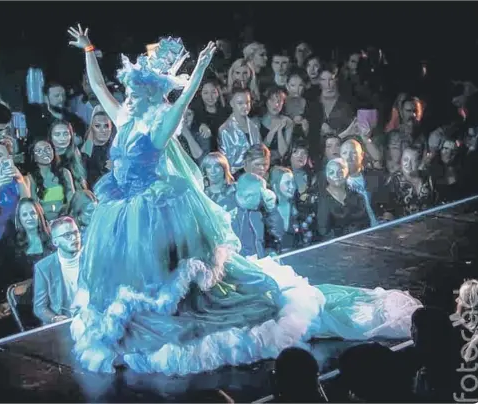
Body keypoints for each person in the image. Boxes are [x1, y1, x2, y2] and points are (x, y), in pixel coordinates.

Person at [66, 24, 421, 376]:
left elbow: (185, 100)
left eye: (137, 90)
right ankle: (136, 316)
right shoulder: (123, 116)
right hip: (123, 207)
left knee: (171, 279)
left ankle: (173, 315)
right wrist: (87, 50)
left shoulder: (159, 128)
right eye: (131, 89)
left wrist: (201, 69)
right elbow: (98, 87)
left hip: (153, 211)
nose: (130, 95)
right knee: (131, 276)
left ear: (152, 95)